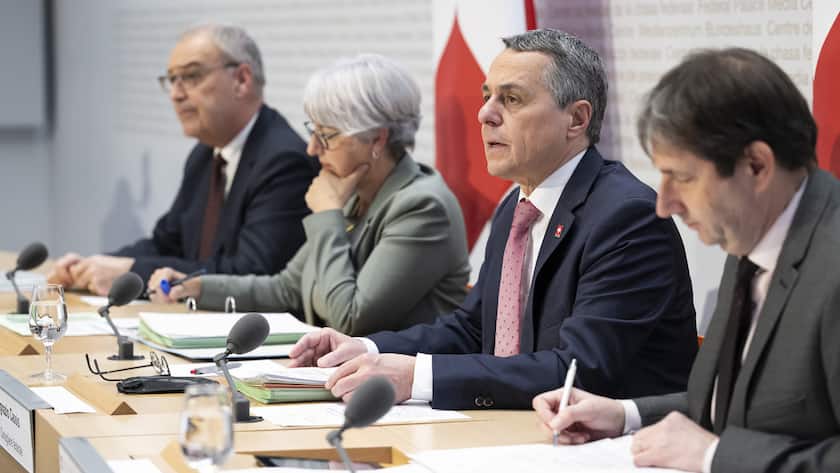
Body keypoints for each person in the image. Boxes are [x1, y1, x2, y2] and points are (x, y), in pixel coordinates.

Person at [287, 29, 698, 409]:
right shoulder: (517, 206)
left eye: (512, 99)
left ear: (576, 119)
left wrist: (417, 377)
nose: (485, 114)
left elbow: (578, 369)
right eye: (487, 96)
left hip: (614, 450)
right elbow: (474, 330)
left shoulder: (626, 216)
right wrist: (367, 349)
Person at [534, 48, 840, 473]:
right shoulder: (753, 236)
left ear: (756, 166)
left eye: (683, 177)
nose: (664, 204)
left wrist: (714, 457)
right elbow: (737, 404)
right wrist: (625, 414)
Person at [148, 54, 471, 337]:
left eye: (326, 136)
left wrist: (328, 216)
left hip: (401, 395)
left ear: (377, 139)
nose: (312, 149)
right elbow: (286, 288)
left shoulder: (422, 207)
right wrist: (197, 287)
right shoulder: (352, 193)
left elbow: (350, 318)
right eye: (312, 132)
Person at [47, 24, 315, 295]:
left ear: (242, 80)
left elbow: (251, 272)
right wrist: (92, 267)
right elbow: (167, 242)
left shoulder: (285, 161)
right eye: (172, 80)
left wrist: (131, 271)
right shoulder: (204, 153)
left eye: (191, 76)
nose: (176, 94)